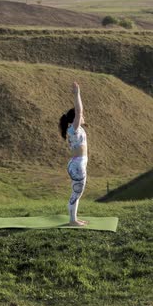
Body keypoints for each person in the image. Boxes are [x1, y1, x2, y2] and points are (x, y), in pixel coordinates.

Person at [59, 82, 89, 227]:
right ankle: (72, 221)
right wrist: (77, 94)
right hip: (77, 165)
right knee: (76, 193)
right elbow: (79, 111)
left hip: (78, 164)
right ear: (74, 119)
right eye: (79, 117)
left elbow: (80, 113)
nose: (83, 117)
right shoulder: (73, 130)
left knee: (77, 193)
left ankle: (74, 218)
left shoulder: (77, 130)